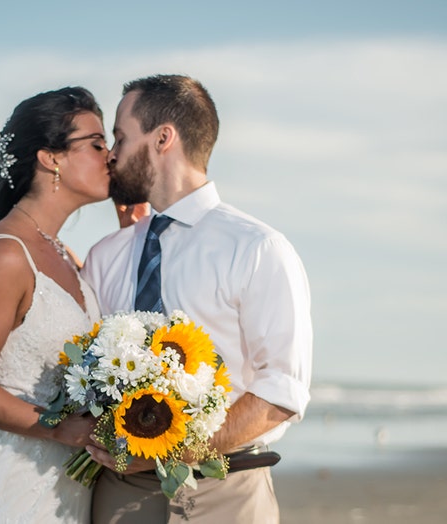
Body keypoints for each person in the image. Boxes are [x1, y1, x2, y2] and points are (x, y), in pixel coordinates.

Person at [81, 75, 313, 523]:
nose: (111, 153)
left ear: (163, 138)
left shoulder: (258, 249)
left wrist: (174, 451)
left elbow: (281, 388)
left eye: (121, 136)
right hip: (119, 495)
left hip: (227, 494)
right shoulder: (106, 257)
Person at [0, 86, 111, 523]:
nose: (109, 155)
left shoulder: (67, 257)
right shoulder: (6, 254)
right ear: (50, 157)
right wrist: (66, 429)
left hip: (71, 488)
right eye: (96, 143)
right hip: (18, 488)